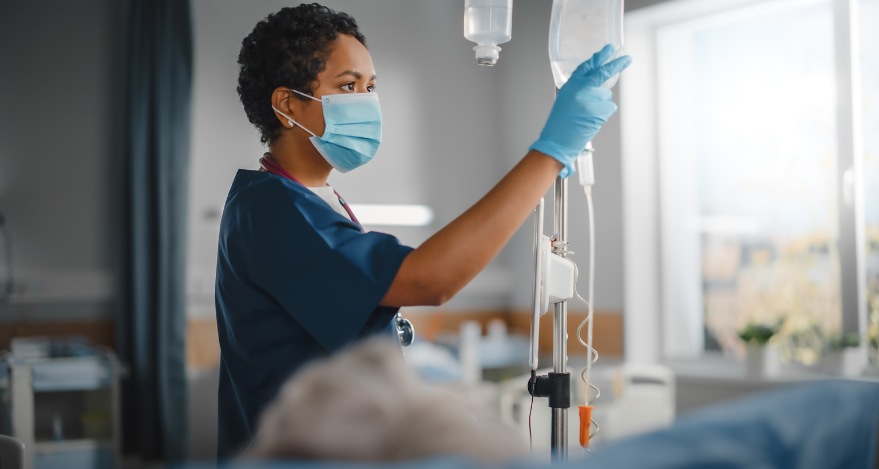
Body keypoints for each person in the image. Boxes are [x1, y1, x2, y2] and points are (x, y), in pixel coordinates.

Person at [216, 2, 631, 457]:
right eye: (348, 86)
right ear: (287, 104)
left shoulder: (313, 200)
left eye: (371, 86)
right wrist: (550, 153)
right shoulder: (271, 209)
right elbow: (428, 278)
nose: (367, 101)